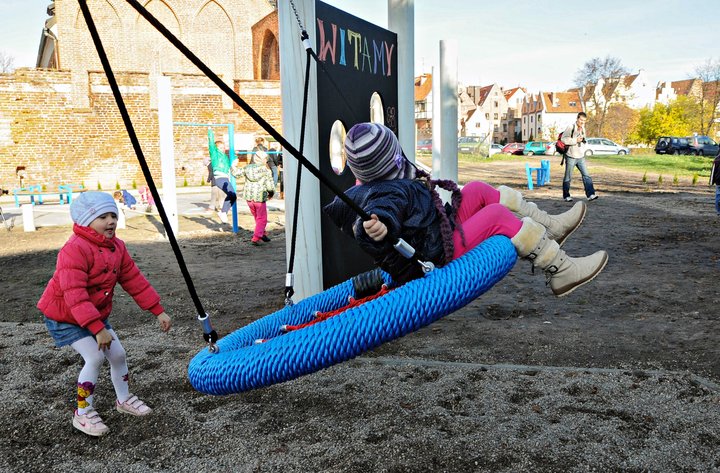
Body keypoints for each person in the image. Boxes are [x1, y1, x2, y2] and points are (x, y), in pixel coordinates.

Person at [323, 122, 608, 296]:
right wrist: (378, 226)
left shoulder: (383, 183)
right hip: (430, 257)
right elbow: (380, 214)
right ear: (392, 158)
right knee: (497, 217)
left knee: (476, 190)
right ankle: (561, 270)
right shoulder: (381, 197)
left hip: (434, 234)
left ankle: (551, 228)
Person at [37, 191, 172, 437]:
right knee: (95, 358)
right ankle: (82, 412)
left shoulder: (116, 247)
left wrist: (157, 310)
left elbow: (133, 279)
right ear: (86, 221)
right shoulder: (74, 250)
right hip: (65, 315)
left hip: (93, 315)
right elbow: (74, 292)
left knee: (118, 354)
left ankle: (123, 399)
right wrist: (98, 329)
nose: (111, 221)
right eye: (102, 216)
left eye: (113, 214)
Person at [234, 154, 275, 245]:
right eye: (266, 160)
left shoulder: (247, 168)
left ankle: (262, 233)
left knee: (257, 217)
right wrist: (271, 193)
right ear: (263, 160)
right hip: (259, 198)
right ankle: (256, 237)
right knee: (262, 218)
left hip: (249, 198)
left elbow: (236, 174)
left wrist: (233, 165)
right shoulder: (266, 170)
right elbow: (270, 185)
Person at [560, 112, 598, 202]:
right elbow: (563, 139)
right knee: (568, 176)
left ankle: (590, 194)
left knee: (586, 175)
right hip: (571, 156)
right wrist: (575, 140)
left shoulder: (583, 128)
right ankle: (566, 196)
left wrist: (583, 142)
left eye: (584, 121)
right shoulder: (571, 127)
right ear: (577, 118)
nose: (582, 122)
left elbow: (583, 139)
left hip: (580, 156)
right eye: (581, 120)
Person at [208, 129, 237, 223]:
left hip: (225, 177)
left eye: (223, 147)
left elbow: (231, 162)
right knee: (232, 194)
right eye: (220, 147)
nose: (222, 149)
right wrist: (210, 129)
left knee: (233, 196)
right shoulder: (214, 154)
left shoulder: (225, 157)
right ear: (216, 148)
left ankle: (223, 212)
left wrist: (235, 159)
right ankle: (223, 212)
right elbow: (211, 143)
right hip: (219, 177)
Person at [710, 150, 720, 215]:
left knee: (718, 195)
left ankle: (719, 211)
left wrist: (711, 182)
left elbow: (713, 172)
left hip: (718, 181)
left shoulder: (716, 159)